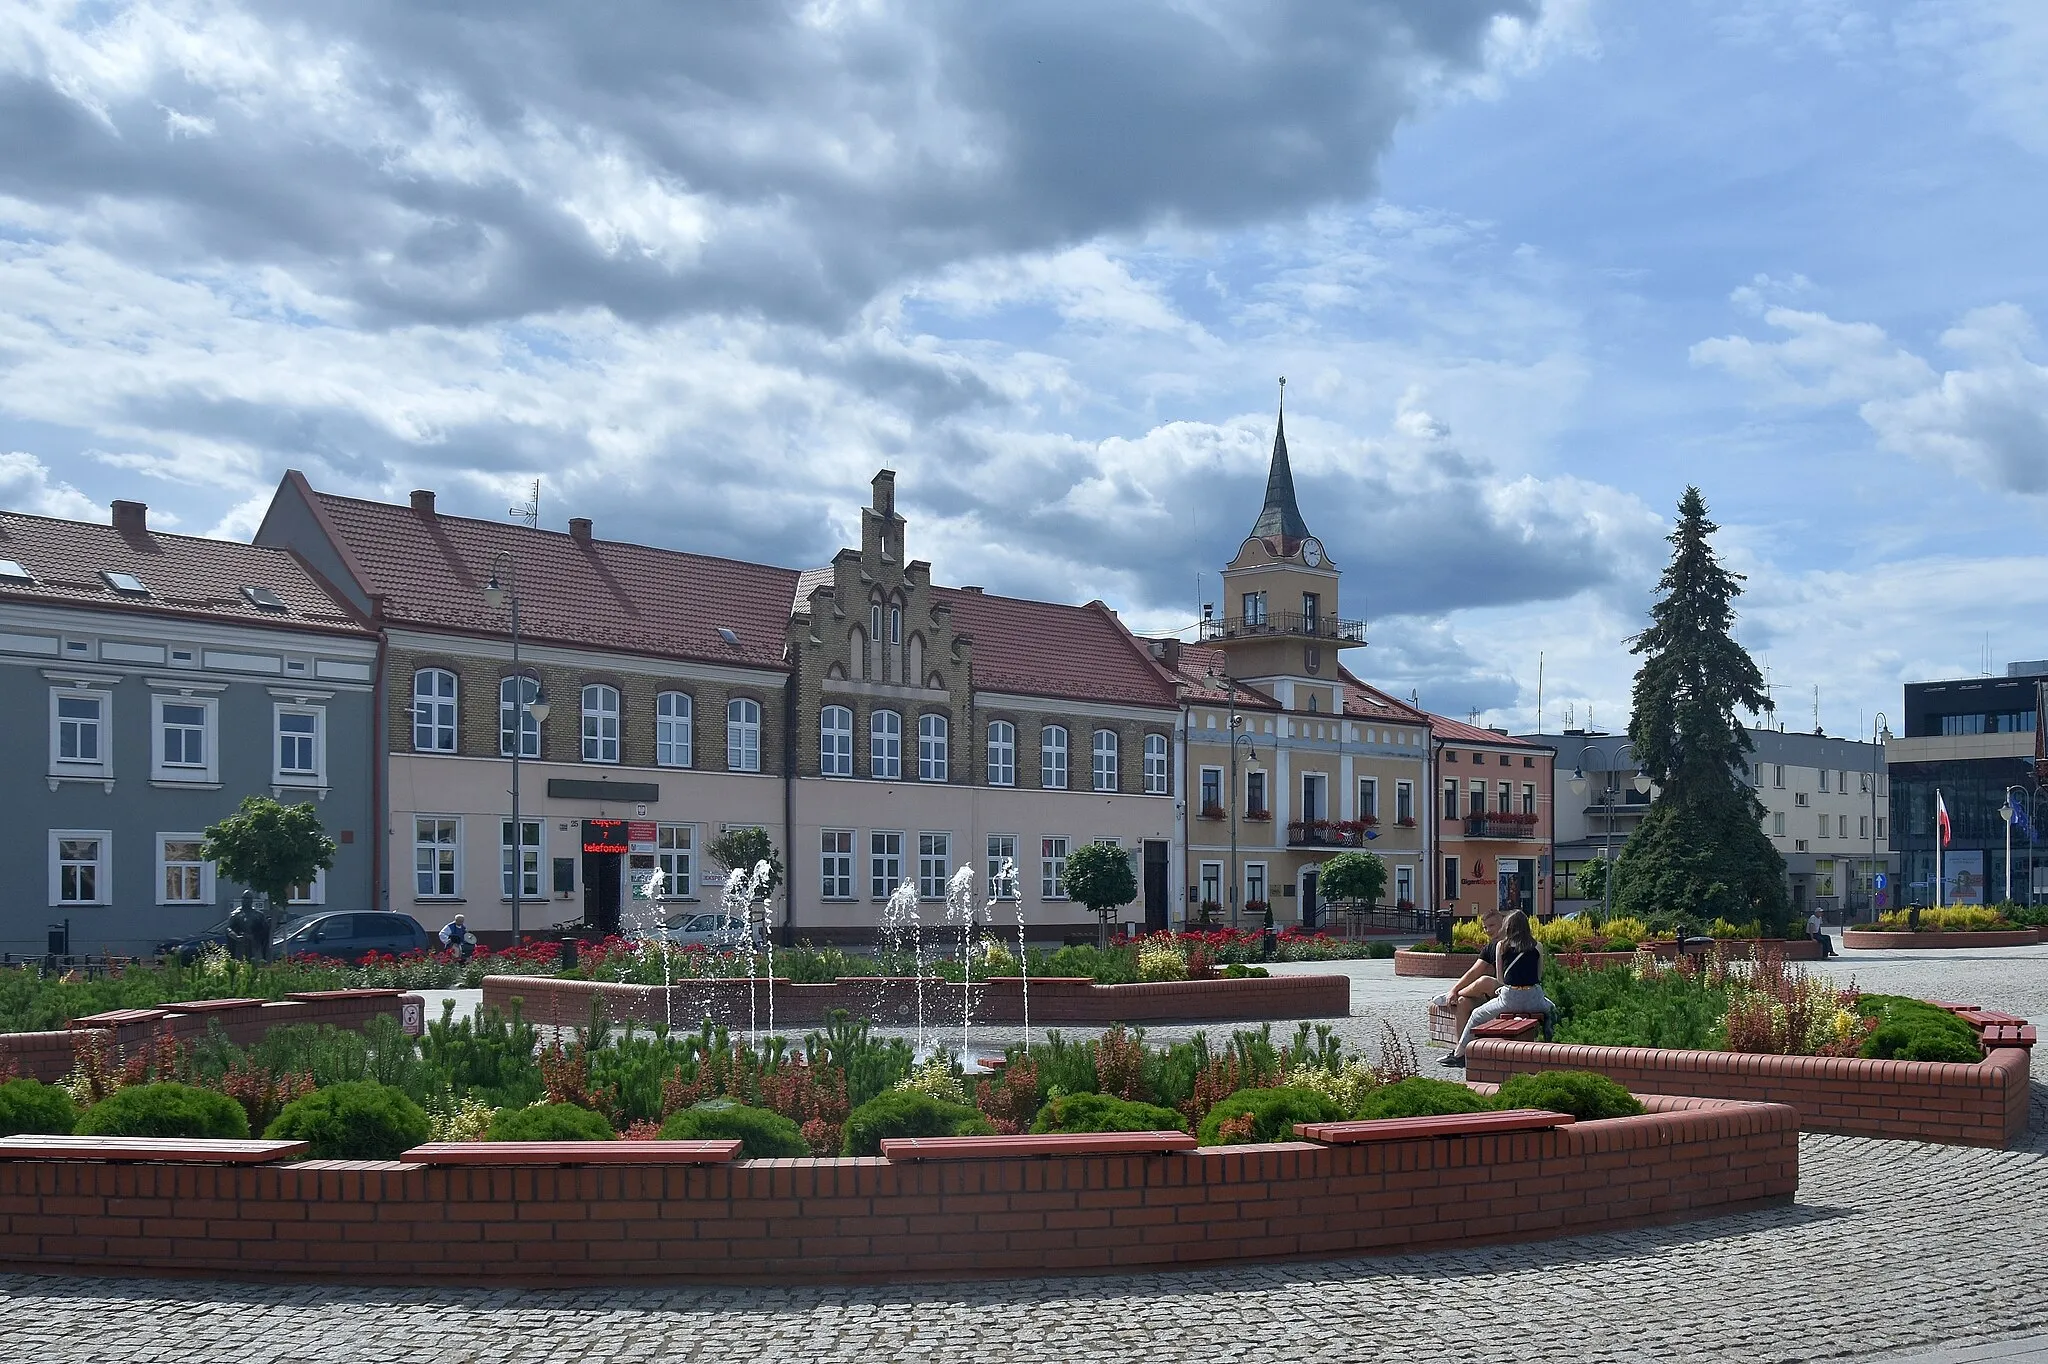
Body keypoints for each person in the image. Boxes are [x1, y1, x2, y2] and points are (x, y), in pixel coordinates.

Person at [1445, 908, 1551, 1068]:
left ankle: (1459, 1053)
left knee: (1476, 1014)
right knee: (1554, 1009)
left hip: (1510, 998)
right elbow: (1538, 976)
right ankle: (1551, 1042)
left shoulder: (1501, 946)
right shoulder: (1538, 946)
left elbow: (1502, 979)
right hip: (1534, 999)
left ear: (1508, 926)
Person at [1433, 905, 1505, 1059]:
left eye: (1492, 925)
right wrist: (1455, 990)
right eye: (1485, 927)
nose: (1488, 930)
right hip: (1495, 996)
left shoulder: (1514, 943)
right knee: (1462, 1002)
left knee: (1485, 981)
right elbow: (1473, 971)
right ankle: (1461, 1053)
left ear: (1504, 923)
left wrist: (1455, 990)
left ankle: (1450, 995)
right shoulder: (1490, 947)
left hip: (1511, 991)